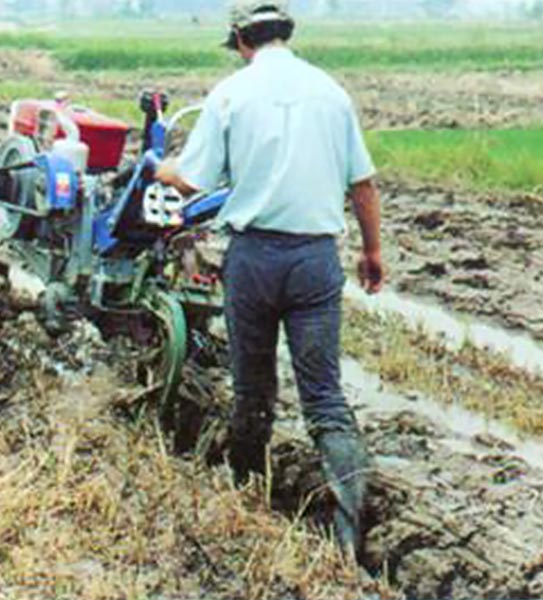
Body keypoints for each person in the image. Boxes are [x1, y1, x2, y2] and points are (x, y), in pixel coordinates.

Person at [156, 0, 384, 556]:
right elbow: (363, 185)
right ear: (286, 34)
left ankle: (248, 505)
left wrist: (157, 167)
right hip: (315, 261)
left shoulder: (231, 93)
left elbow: (190, 181)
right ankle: (348, 535)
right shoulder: (331, 92)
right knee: (324, 397)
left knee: (252, 391)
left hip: (254, 259)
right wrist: (373, 252)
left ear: (241, 42)